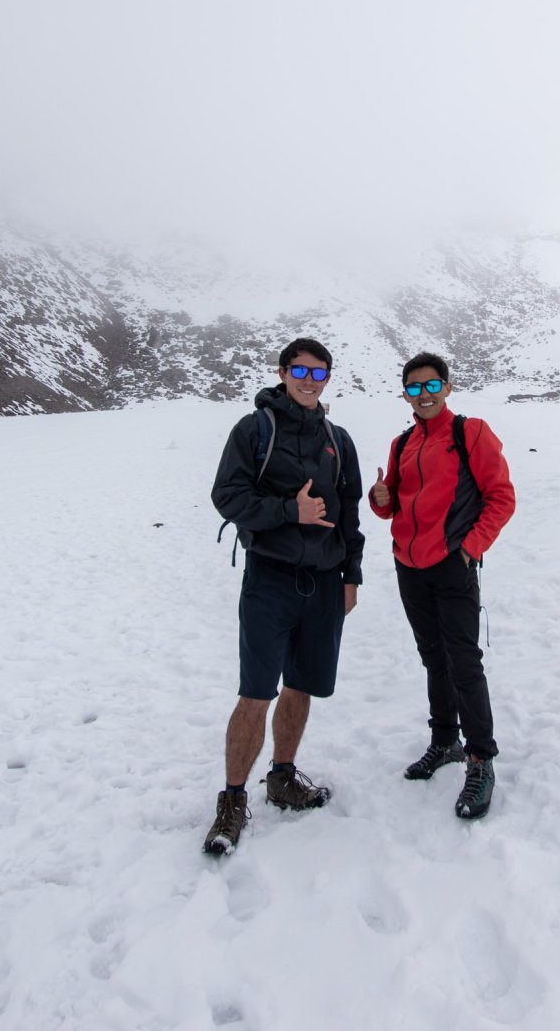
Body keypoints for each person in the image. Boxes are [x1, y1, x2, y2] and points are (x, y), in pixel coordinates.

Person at [204, 338, 364, 856]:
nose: (308, 381)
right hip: (269, 581)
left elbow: (350, 514)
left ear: (327, 378)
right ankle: (232, 800)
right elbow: (226, 496)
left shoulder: (338, 440)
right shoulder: (254, 430)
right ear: (282, 372)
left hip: (325, 583)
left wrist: (352, 576)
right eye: (300, 371)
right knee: (256, 693)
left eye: (318, 373)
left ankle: (282, 777)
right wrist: (288, 512)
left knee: (300, 686)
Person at [367, 352, 515, 819]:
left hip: (452, 565)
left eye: (432, 385)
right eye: (414, 387)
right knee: (433, 658)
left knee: (463, 662)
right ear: (405, 394)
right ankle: (445, 741)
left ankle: (480, 758)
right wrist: (379, 498)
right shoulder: (402, 443)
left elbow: (501, 497)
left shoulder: (470, 433)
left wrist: (470, 548)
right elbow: (392, 505)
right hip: (409, 567)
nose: (424, 394)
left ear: (447, 388)